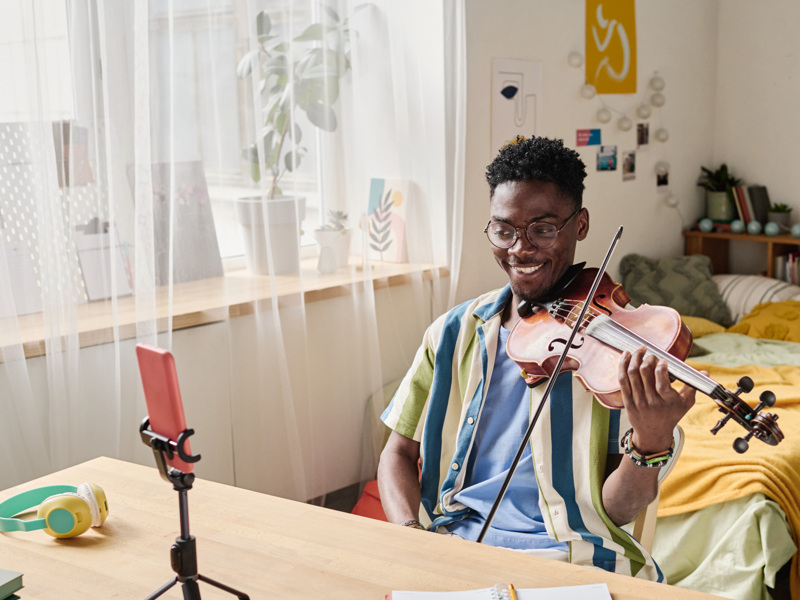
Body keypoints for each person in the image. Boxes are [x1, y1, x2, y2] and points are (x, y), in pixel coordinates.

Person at [378, 136, 696, 581]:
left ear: (580, 225)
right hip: (452, 548)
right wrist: (410, 533)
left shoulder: (622, 352)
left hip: (574, 559)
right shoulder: (452, 333)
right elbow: (397, 452)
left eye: (543, 230)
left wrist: (650, 443)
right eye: (504, 230)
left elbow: (618, 512)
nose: (520, 249)